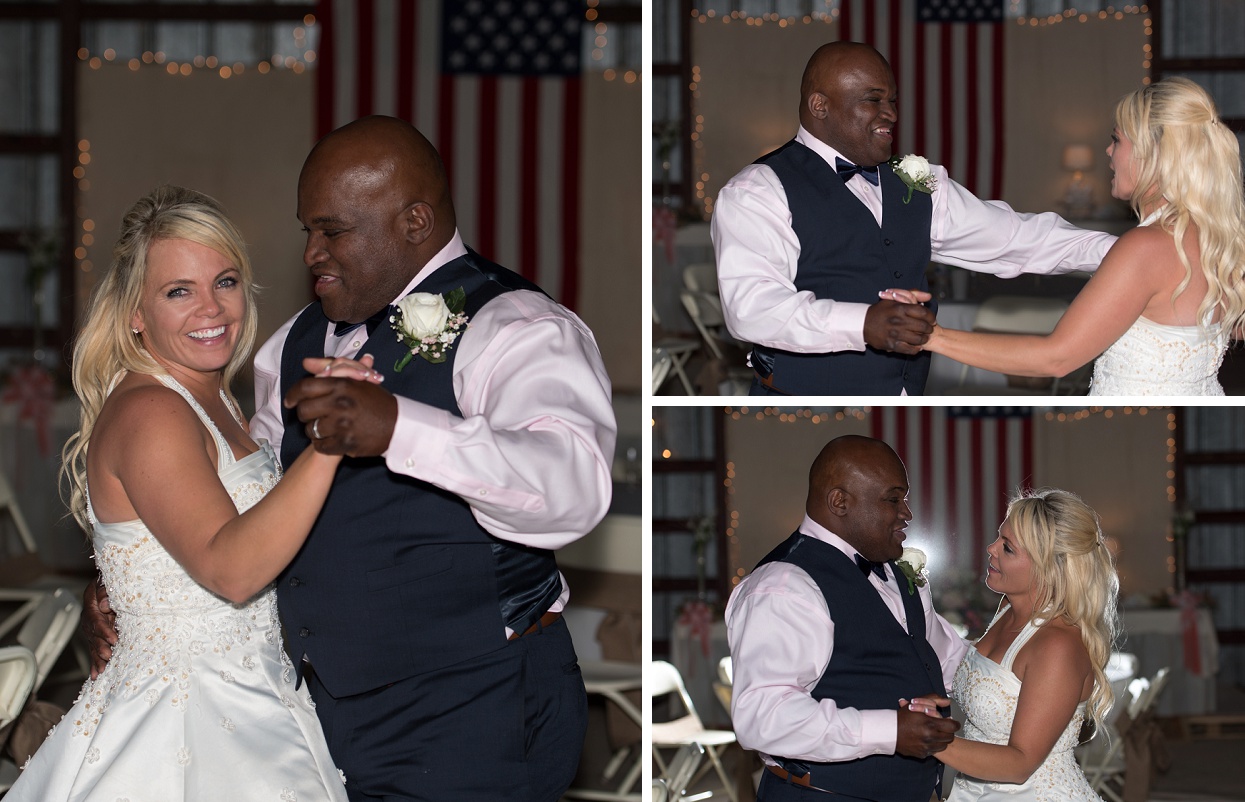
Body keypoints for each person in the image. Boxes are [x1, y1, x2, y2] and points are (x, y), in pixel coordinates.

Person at [84, 116, 616, 801]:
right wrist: (136, 576)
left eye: (331, 230)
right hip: (313, 714)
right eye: (308, 229)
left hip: (473, 709)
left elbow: (572, 490)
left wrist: (400, 428)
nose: (310, 252)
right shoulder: (288, 345)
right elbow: (244, 498)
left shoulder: (518, 329)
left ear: (414, 222)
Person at [12, 185, 362, 799]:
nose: (213, 309)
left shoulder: (212, 395)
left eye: (224, 282)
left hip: (253, 693)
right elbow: (229, 569)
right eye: (179, 291)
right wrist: (331, 439)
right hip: (186, 718)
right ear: (135, 313)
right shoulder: (153, 410)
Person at [710, 41, 1116, 395]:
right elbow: (752, 308)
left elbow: (1017, 239)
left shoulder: (915, 176)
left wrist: (1125, 251)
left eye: (892, 100)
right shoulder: (757, 190)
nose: (890, 114)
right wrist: (863, 323)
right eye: (873, 100)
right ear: (820, 105)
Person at [883, 77, 1245, 395]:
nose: (1108, 151)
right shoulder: (1218, 239)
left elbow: (1056, 358)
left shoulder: (1146, 246)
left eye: (1117, 140)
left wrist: (932, 335)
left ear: (1154, 154)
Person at [725, 435, 967, 802]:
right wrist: (890, 731)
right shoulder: (784, 587)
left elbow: (952, 659)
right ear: (839, 502)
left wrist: (1046, 692)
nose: (907, 513)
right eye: (893, 498)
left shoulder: (895, 573)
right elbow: (763, 716)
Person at [904, 488, 1120, 801]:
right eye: (998, 538)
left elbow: (1020, 763)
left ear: (1049, 569)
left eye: (1007, 548)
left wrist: (928, 737)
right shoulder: (1007, 610)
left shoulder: (1057, 644)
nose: (991, 548)